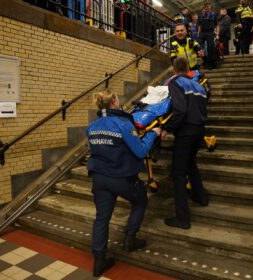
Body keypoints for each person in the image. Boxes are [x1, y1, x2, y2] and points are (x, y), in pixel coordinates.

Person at [87, 89, 161, 277]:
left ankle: (99, 260)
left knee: (102, 218)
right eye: (118, 98)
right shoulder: (123, 123)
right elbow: (140, 151)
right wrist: (153, 133)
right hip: (121, 177)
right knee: (140, 200)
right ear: (113, 102)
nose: (120, 101)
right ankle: (130, 238)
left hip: (99, 178)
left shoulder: (93, 126)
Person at [161, 57, 209, 230]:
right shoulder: (200, 86)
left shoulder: (176, 83)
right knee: (190, 163)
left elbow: (180, 110)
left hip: (186, 132)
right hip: (200, 130)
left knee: (178, 173)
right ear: (188, 69)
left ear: (174, 70)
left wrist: (167, 128)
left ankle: (182, 218)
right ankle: (201, 196)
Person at [198, 3, 218, 69]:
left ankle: (210, 63)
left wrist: (217, 34)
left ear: (210, 7)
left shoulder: (214, 14)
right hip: (202, 32)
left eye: (209, 6)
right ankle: (205, 61)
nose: (207, 7)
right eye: (206, 6)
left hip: (210, 32)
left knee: (210, 48)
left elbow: (217, 25)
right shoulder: (201, 15)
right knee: (200, 48)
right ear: (204, 7)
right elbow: (199, 25)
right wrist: (199, 33)